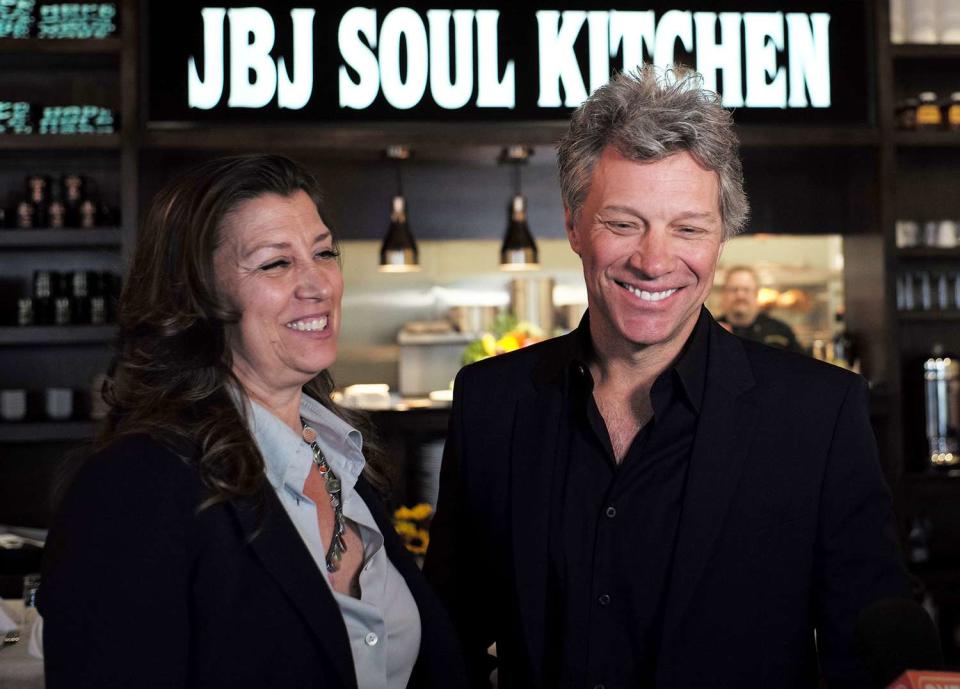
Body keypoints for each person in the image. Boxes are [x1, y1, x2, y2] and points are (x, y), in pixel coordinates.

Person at [424, 67, 909, 689]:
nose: (654, 261)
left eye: (688, 228)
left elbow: (869, 657)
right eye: (623, 223)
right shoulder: (491, 402)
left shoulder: (818, 415)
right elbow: (449, 637)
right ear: (574, 225)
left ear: (721, 238)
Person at [39, 154, 466, 689]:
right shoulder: (136, 484)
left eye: (324, 252)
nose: (318, 285)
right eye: (275, 264)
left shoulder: (343, 459)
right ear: (197, 295)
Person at [717, 265, 803, 352]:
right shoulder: (711, 330)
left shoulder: (781, 331)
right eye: (734, 289)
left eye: (746, 290)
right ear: (723, 294)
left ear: (756, 294)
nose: (740, 295)